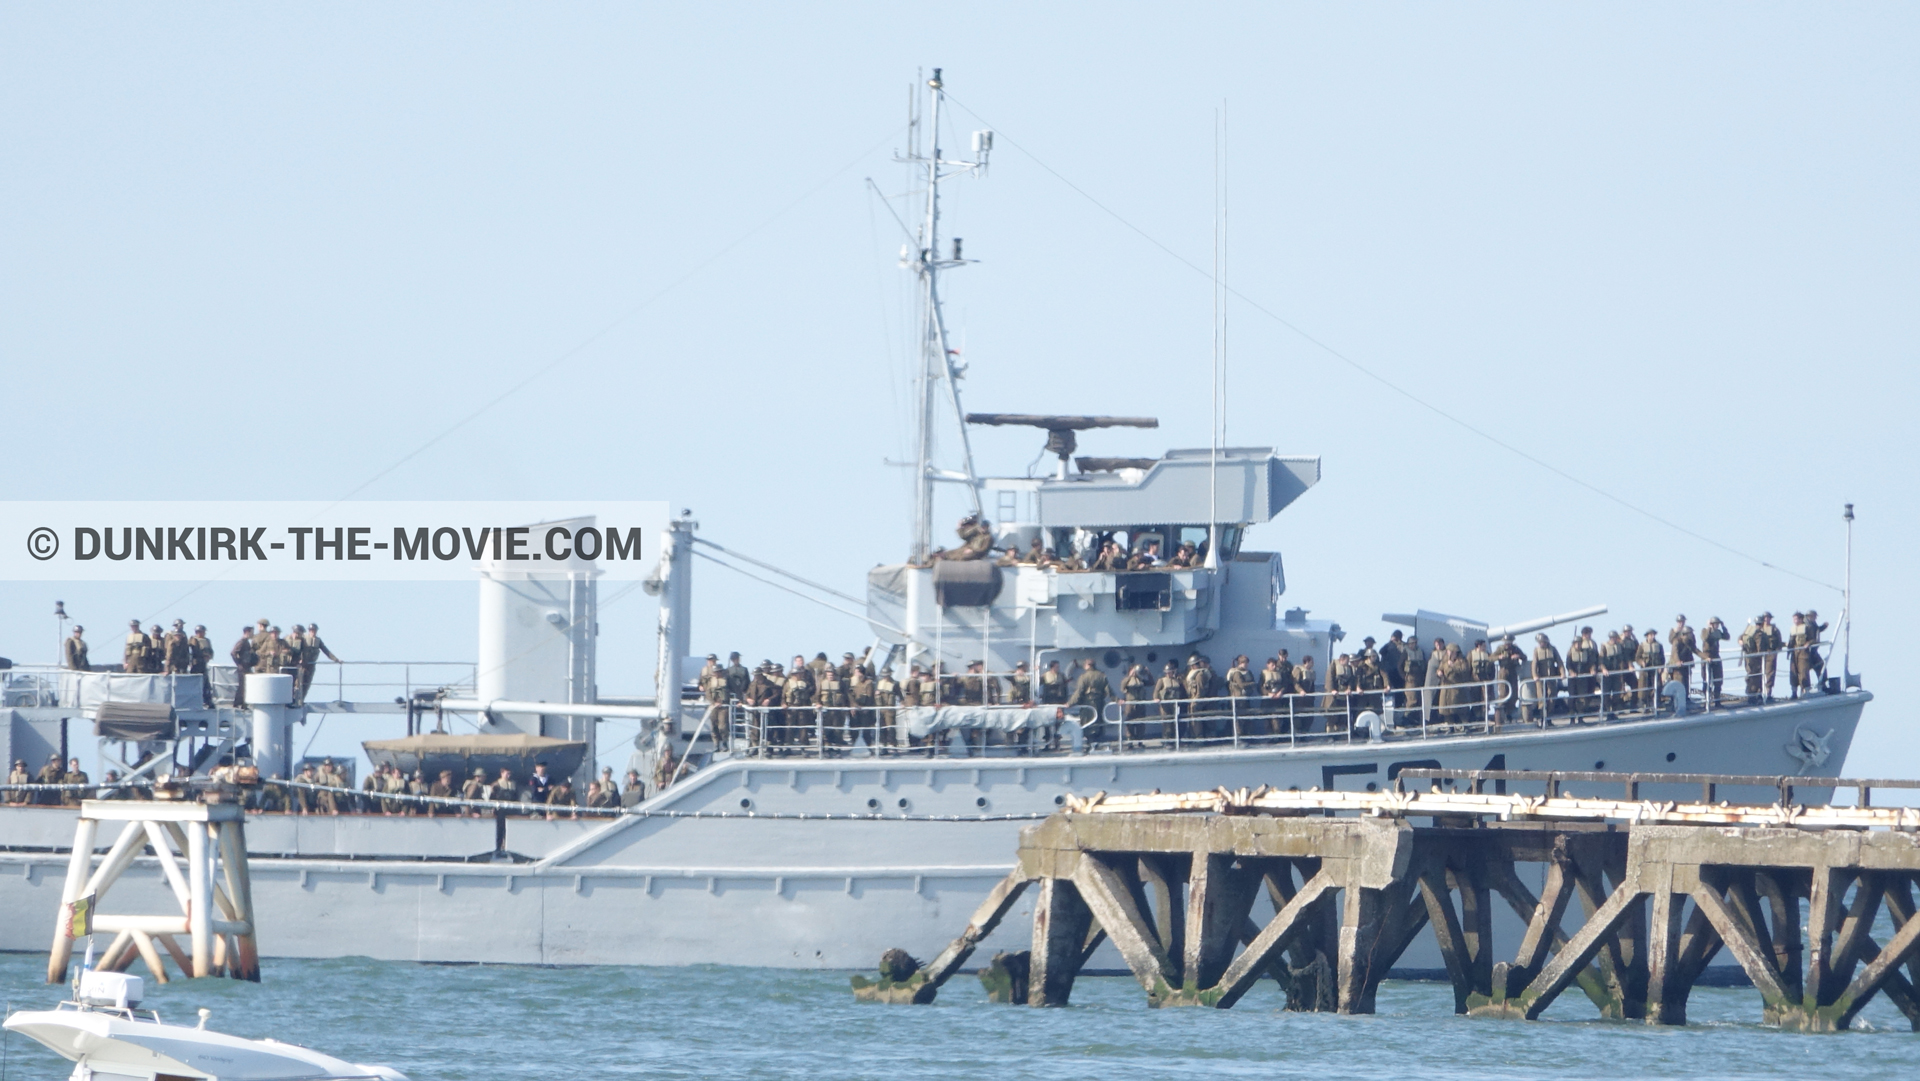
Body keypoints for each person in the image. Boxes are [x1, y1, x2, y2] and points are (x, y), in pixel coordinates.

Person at [1066, 659, 1112, 739]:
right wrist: (1117, 700)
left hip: (1087, 703)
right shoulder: (1102, 676)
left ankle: (1090, 742)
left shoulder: (1084, 677)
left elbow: (1079, 692)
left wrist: (1070, 703)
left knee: (1087, 722)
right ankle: (1097, 741)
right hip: (1099, 703)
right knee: (1099, 720)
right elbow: (1109, 691)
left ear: (1087, 666)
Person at [1565, 627, 1600, 717]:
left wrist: (1593, 669)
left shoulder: (1590, 647)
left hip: (1584, 677)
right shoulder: (1570, 651)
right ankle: (1572, 716)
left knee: (1584, 696)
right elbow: (1568, 664)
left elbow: (1592, 661)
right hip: (1573, 678)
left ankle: (1581, 714)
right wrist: (1571, 672)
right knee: (1572, 696)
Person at [1529, 634, 1563, 724]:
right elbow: (1534, 664)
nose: (1541, 644)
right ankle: (1542, 718)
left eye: (1542, 642)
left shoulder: (1553, 649)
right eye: (1539, 642)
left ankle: (1549, 718)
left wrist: (1562, 673)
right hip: (1540, 678)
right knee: (1541, 698)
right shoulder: (1536, 650)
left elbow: (1559, 661)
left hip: (1551, 677)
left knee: (1552, 697)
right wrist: (1535, 675)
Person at [1492, 635, 1526, 722]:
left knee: (1514, 694)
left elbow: (1524, 657)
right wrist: (1498, 657)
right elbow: (1491, 658)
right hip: (1503, 672)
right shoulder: (1500, 649)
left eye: (1509, 642)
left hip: (1513, 672)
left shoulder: (1515, 649)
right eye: (1506, 642)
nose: (1507, 644)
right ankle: (1499, 713)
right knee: (1503, 693)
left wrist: (1518, 656)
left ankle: (1510, 714)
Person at [1699, 616, 1731, 704]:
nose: (1717, 626)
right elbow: (1705, 637)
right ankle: (1706, 700)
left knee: (1718, 680)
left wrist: (1723, 627)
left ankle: (1717, 701)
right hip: (1706, 656)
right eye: (1715, 624)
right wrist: (1709, 628)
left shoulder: (1718, 632)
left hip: (1716, 656)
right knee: (1706, 679)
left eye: (1718, 624)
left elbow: (1727, 637)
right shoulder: (1705, 631)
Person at [1635, 630, 1666, 710]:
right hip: (1645, 670)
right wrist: (1642, 662)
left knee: (1657, 685)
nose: (1652, 636)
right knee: (1644, 686)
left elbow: (1662, 658)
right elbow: (1637, 657)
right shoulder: (1642, 645)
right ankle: (1644, 704)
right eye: (1650, 635)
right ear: (1647, 636)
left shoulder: (1659, 645)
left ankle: (1656, 702)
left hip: (1655, 670)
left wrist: (1661, 667)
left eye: (1653, 635)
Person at [1757, 612, 1784, 702]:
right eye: (1765, 618)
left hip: (1770, 654)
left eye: (1768, 618)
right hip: (1760, 654)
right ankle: (1758, 693)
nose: (1766, 619)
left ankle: (1768, 693)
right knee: (1758, 673)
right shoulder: (1758, 628)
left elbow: (1779, 642)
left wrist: (1776, 651)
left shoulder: (1775, 630)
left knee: (1770, 674)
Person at [1669, 616, 1698, 694]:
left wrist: (1705, 657)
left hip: (1687, 661)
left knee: (1687, 680)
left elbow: (1694, 647)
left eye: (1682, 622)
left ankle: (1687, 697)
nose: (1681, 624)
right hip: (1678, 663)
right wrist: (1675, 632)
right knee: (1679, 681)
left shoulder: (1688, 631)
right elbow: (1674, 648)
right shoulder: (1675, 634)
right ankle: (1678, 699)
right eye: (1679, 622)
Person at [229, 626, 257, 707]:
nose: (253, 634)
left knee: (246, 686)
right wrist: (239, 664)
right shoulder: (242, 642)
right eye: (252, 632)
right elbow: (233, 653)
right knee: (242, 686)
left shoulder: (246, 642)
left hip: (246, 667)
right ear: (247, 632)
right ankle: (238, 703)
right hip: (243, 668)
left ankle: (243, 703)